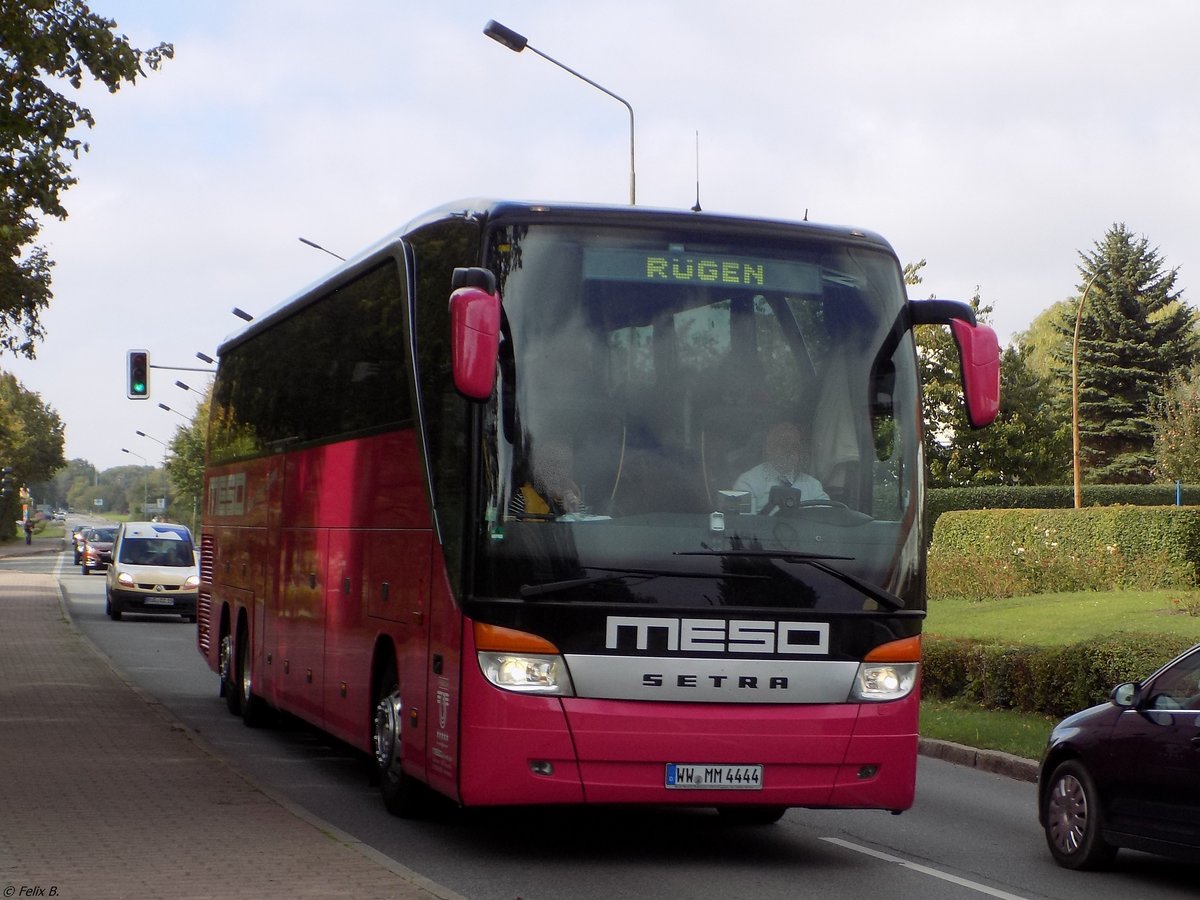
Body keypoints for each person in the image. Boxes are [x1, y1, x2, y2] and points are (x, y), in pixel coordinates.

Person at [732, 422, 828, 514]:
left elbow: (826, 521)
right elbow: (744, 526)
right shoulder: (748, 482)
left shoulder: (813, 486)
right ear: (769, 449)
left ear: (800, 452)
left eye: (794, 446)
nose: (788, 450)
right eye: (783, 444)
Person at [509, 438, 583, 518]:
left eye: (564, 464)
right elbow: (511, 527)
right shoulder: (523, 498)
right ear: (540, 465)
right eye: (552, 462)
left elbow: (585, 528)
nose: (558, 468)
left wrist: (574, 513)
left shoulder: (575, 499)